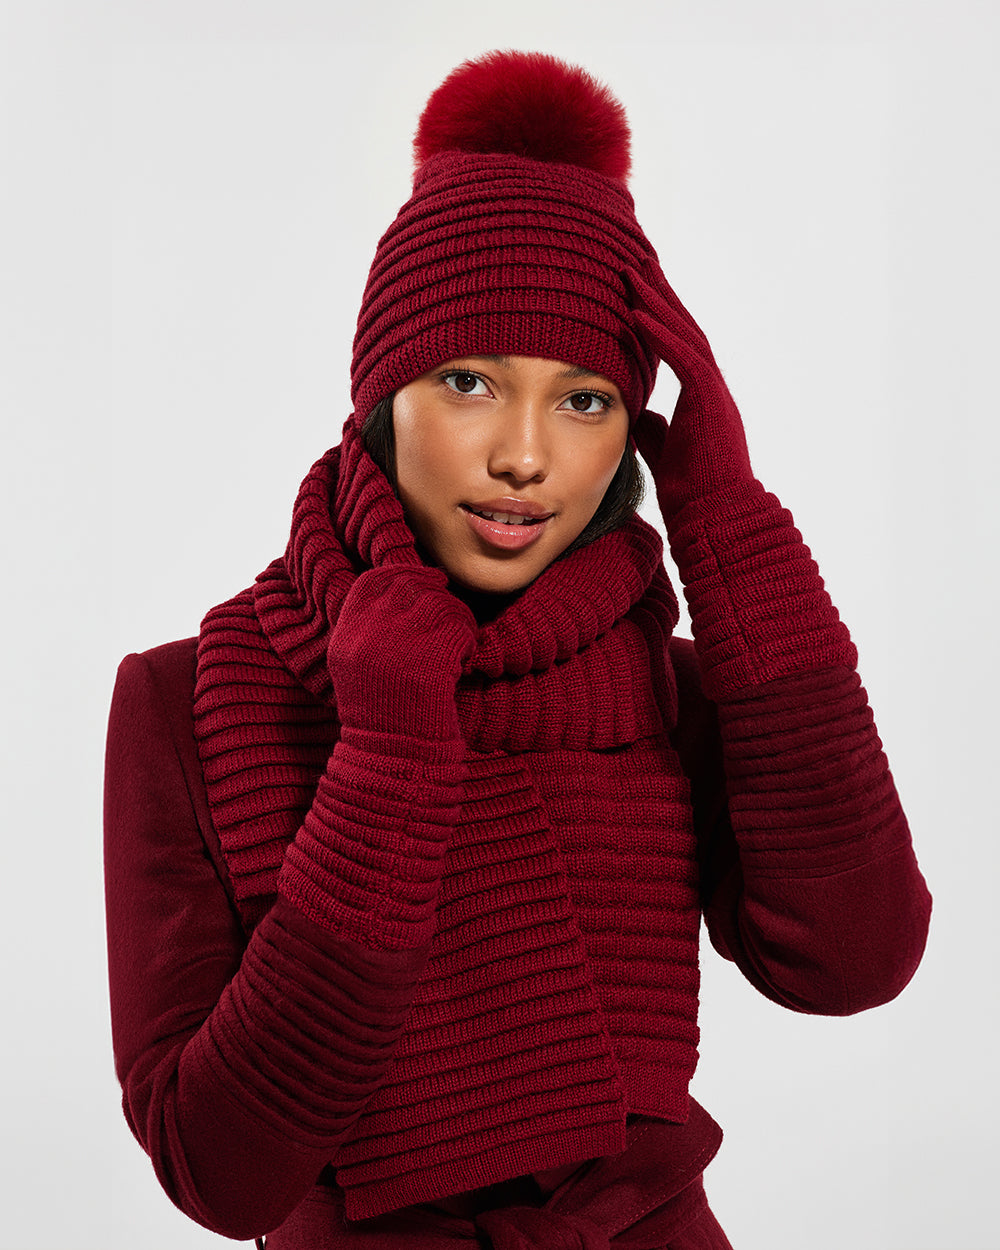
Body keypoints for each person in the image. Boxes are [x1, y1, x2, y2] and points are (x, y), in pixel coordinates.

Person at [103, 50, 931, 1249]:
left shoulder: (669, 690)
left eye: (585, 398)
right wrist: (387, 756)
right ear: (383, 403)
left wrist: (730, 528)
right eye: (470, 382)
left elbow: (854, 963)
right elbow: (217, 1170)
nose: (526, 456)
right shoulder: (187, 699)